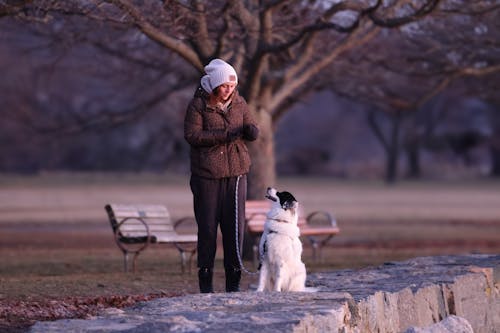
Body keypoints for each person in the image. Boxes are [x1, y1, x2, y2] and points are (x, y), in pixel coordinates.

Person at [184, 58, 259, 293]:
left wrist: (252, 131)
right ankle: (205, 284)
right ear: (215, 85)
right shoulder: (198, 105)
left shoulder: (240, 102)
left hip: (236, 174)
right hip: (207, 177)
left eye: (233, 86)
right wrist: (224, 135)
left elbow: (250, 125)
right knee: (207, 229)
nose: (230, 90)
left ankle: (233, 285)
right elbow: (192, 135)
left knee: (234, 230)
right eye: (225, 86)